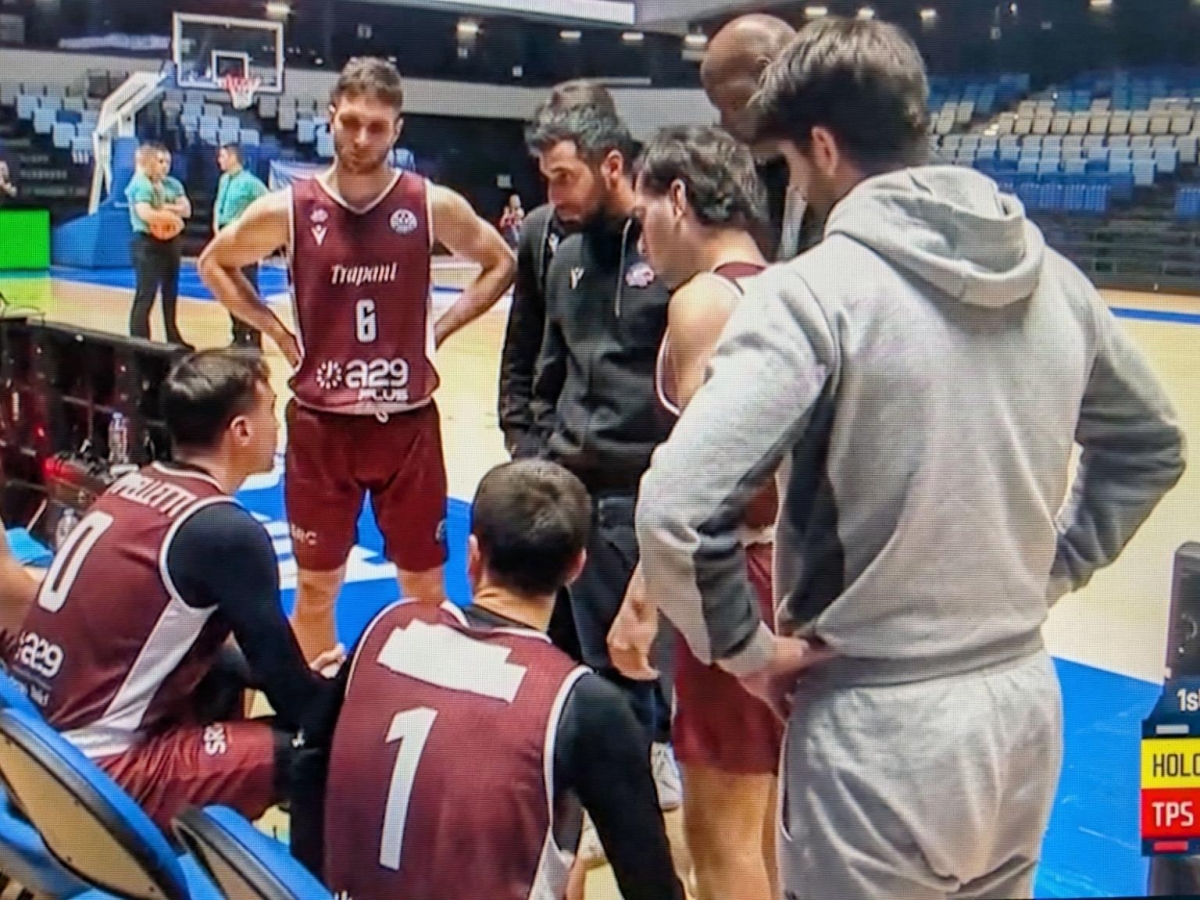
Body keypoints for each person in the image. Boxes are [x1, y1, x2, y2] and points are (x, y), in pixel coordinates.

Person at [634, 17, 1187, 900]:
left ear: (823, 146)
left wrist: (747, 652)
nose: (795, 189)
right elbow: (1152, 443)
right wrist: (1058, 566)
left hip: (875, 729)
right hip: (1021, 708)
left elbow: (675, 509)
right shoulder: (1057, 281)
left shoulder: (812, 296)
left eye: (794, 165)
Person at [198, 57, 516, 662]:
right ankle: (315, 702)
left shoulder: (429, 204)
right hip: (322, 424)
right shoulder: (291, 208)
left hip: (407, 423)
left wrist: (439, 330)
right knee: (317, 589)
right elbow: (216, 261)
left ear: (398, 128)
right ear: (330, 118)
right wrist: (276, 331)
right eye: (351, 122)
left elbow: (500, 261)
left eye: (377, 126)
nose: (362, 137)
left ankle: (422, 692)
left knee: (424, 589)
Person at [289, 460, 685, 900]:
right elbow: (650, 883)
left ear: (472, 554)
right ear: (577, 567)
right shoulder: (584, 702)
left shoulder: (385, 628)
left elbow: (306, 767)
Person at [5, 350, 339, 831]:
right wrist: (335, 692)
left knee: (217, 670)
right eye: (269, 412)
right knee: (316, 746)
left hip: (35, 748)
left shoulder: (131, 486)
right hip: (93, 775)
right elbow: (297, 702)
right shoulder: (224, 531)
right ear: (241, 431)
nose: (276, 427)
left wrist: (297, 677)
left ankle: (197, 833)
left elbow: (241, 660)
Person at [609, 124, 781, 900]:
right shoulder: (791, 285)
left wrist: (643, 597)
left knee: (719, 839)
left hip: (735, 574)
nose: (641, 238)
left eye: (643, 215)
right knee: (772, 827)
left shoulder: (705, 300)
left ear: (677, 198)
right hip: (801, 571)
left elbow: (709, 479)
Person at [523, 91, 680, 809]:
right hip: (570, 485)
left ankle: (650, 766)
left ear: (612, 165)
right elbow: (548, 369)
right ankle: (606, 776)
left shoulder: (667, 248)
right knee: (585, 653)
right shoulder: (564, 257)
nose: (553, 195)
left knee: (635, 652)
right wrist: (536, 452)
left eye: (564, 177)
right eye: (547, 179)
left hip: (639, 489)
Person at [498, 79, 620, 464]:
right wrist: (518, 435)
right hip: (553, 441)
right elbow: (522, 343)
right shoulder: (539, 231)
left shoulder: (653, 236)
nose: (555, 193)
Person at [700, 13, 821, 262]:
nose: (727, 124)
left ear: (767, 74)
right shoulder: (757, 172)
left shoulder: (837, 161)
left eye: (735, 103)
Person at [126, 143, 192, 347]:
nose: (165, 166)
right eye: (160, 161)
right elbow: (145, 214)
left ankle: (173, 337)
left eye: (168, 162)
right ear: (149, 162)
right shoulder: (140, 184)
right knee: (146, 292)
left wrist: (165, 209)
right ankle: (140, 340)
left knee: (171, 291)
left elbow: (187, 210)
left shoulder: (173, 184)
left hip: (171, 242)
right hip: (147, 242)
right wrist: (173, 218)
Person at [213, 143, 269, 349]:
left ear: (233, 157)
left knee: (248, 291)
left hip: (243, 240)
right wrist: (216, 228)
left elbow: (268, 204)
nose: (219, 160)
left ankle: (254, 338)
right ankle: (238, 335)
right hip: (224, 239)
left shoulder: (250, 183)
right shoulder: (223, 180)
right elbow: (218, 205)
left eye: (222, 156)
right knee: (229, 290)